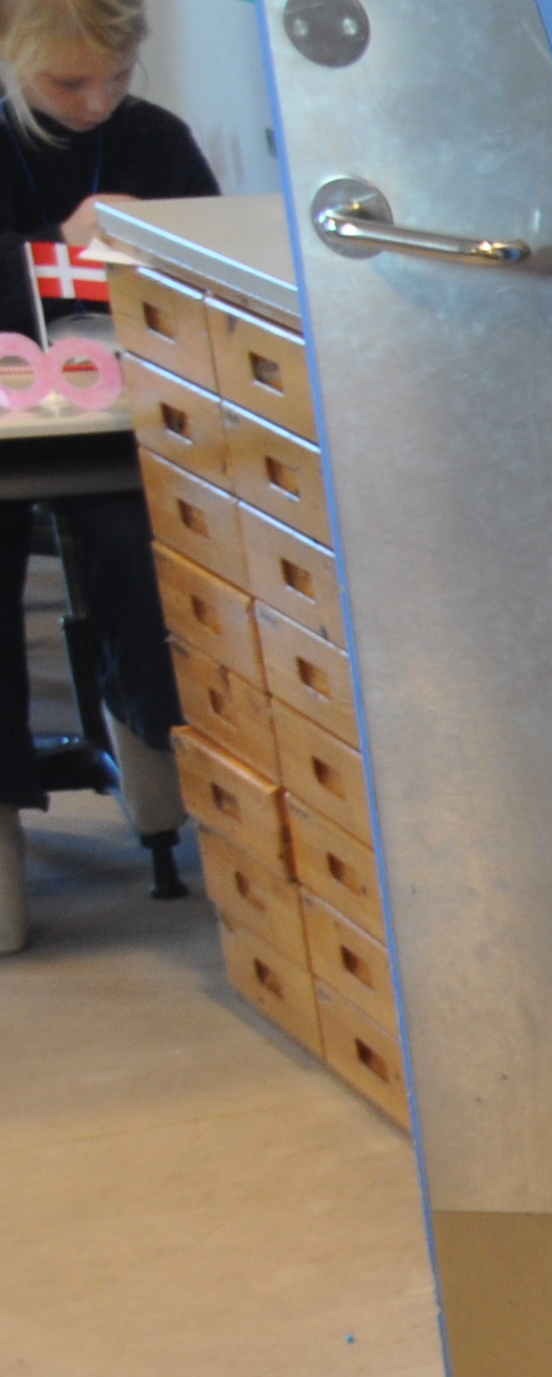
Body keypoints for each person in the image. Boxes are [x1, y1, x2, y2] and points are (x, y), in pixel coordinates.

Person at [0, 0, 205, 954]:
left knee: (144, 543)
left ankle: (164, 739)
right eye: (69, 83)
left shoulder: (155, 141)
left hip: (119, 422)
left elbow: (210, 285)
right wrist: (55, 251)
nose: (97, 103)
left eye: (116, 79)